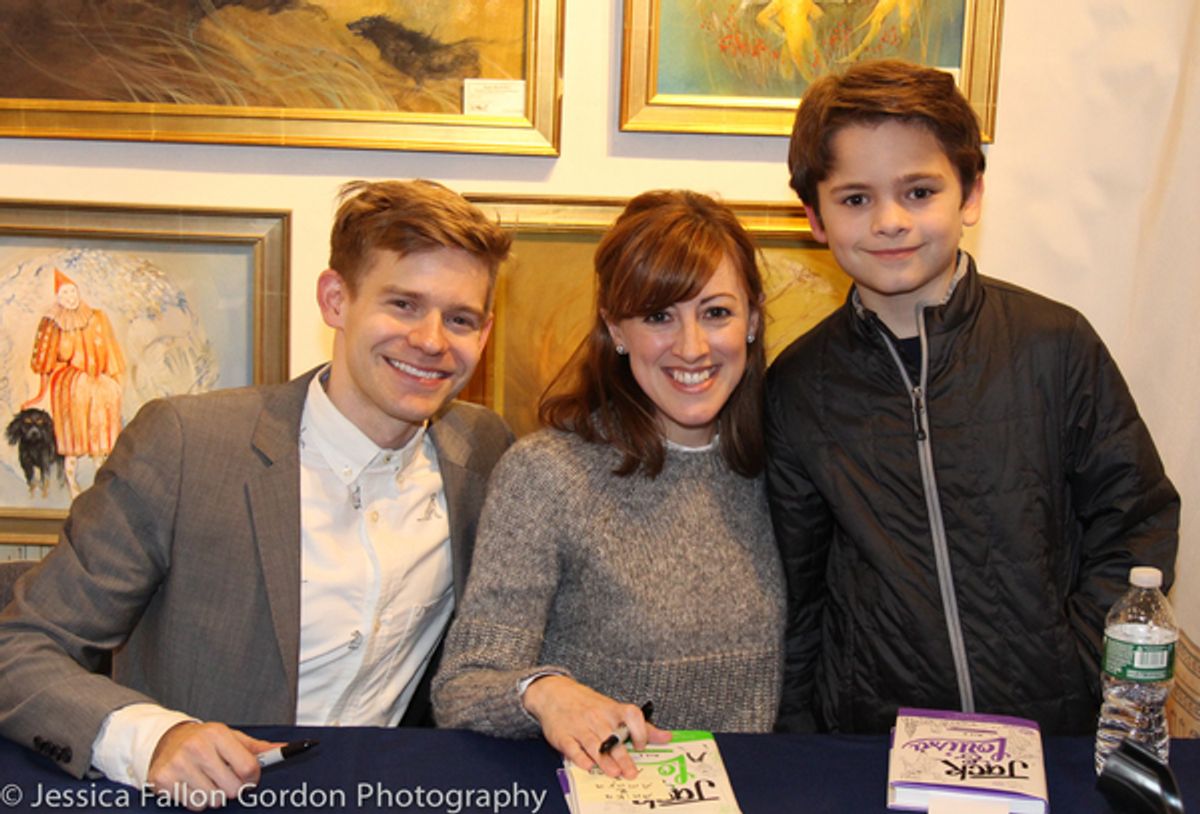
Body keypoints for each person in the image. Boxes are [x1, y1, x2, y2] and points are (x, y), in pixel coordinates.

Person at [0, 179, 514, 808]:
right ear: (335, 299)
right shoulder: (188, 445)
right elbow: (20, 645)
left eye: (459, 318)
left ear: (484, 334)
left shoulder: (486, 453)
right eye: (403, 304)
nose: (433, 340)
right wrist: (155, 739)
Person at [766, 60, 1179, 736]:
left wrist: (1080, 666)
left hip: (1051, 730)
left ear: (972, 195)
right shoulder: (798, 386)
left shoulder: (1055, 344)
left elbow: (1136, 518)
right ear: (814, 216)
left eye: (920, 191)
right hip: (877, 739)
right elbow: (795, 594)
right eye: (856, 199)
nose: (890, 221)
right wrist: (804, 746)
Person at [432, 189, 785, 779]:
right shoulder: (547, 474)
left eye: (716, 312)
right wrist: (544, 691)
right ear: (615, 330)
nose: (692, 346)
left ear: (752, 319)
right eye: (658, 316)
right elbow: (463, 684)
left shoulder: (790, 466)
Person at [22, 269, 126, 498]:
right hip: (69, 380)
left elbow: (110, 351)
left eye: (72, 291)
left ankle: (102, 474)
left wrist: (115, 380)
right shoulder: (52, 323)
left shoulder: (97, 317)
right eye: (64, 293)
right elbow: (45, 363)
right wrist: (39, 395)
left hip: (96, 377)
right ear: (58, 297)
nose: (70, 297)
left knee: (106, 392)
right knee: (80, 393)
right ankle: (73, 483)